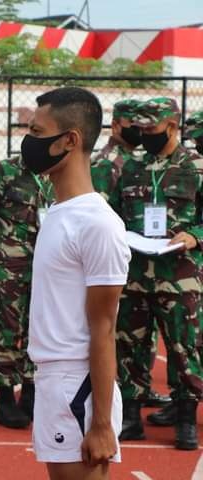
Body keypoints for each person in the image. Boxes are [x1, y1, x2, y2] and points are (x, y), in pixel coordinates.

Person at [24, 86, 130, 480]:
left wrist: (101, 424)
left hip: (76, 387)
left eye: (37, 133)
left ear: (69, 140)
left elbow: (104, 327)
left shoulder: (96, 223)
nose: (28, 142)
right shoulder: (58, 212)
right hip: (55, 379)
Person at [113, 97, 203, 450]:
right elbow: (117, 210)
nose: (145, 134)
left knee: (184, 348)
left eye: (152, 129)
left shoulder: (196, 167)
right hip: (135, 272)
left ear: (173, 125)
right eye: (141, 129)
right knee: (129, 346)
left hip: (178, 275)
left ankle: (185, 419)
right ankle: (131, 417)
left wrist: (194, 236)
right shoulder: (133, 168)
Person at [91, 99, 171, 410]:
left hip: (140, 257)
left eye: (143, 127)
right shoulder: (107, 162)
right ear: (116, 126)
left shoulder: (136, 159)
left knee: (142, 334)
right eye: (133, 127)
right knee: (120, 334)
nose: (140, 132)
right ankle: (119, 397)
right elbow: (100, 213)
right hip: (117, 258)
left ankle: (139, 388)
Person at [0, 155, 51, 429]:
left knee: (40, 329)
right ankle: (4, 399)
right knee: (8, 329)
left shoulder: (59, 174)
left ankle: (30, 392)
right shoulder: (5, 171)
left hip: (48, 267)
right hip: (8, 267)